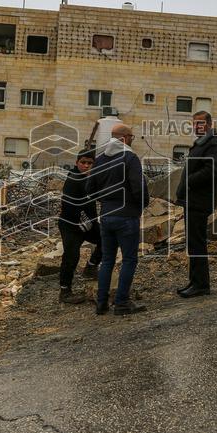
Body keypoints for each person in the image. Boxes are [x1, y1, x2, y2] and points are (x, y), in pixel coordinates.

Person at [86, 123, 149, 315]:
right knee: (129, 259)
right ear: (124, 138)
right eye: (131, 137)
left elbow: (89, 189)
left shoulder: (100, 159)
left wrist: (106, 201)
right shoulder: (130, 158)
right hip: (126, 215)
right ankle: (121, 302)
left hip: (106, 215)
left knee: (107, 260)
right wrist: (141, 205)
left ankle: (102, 303)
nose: (132, 140)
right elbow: (138, 187)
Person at [175, 111, 217, 298]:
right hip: (192, 199)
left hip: (199, 200)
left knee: (197, 243)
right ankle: (195, 281)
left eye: (200, 123)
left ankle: (201, 285)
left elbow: (212, 170)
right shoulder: (201, 143)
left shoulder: (213, 143)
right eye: (194, 123)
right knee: (192, 243)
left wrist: (189, 181)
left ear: (209, 124)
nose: (196, 126)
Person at [57, 149, 102, 304]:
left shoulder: (92, 179)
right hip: (70, 225)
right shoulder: (73, 179)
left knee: (108, 238)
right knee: (71, 256)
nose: (86, 165)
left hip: (88, 224)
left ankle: (91, 267)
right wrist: (83, 220)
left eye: (90, 163)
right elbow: (69, 204)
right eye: (83, 162)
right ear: (77, 163)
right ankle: (65, 291)